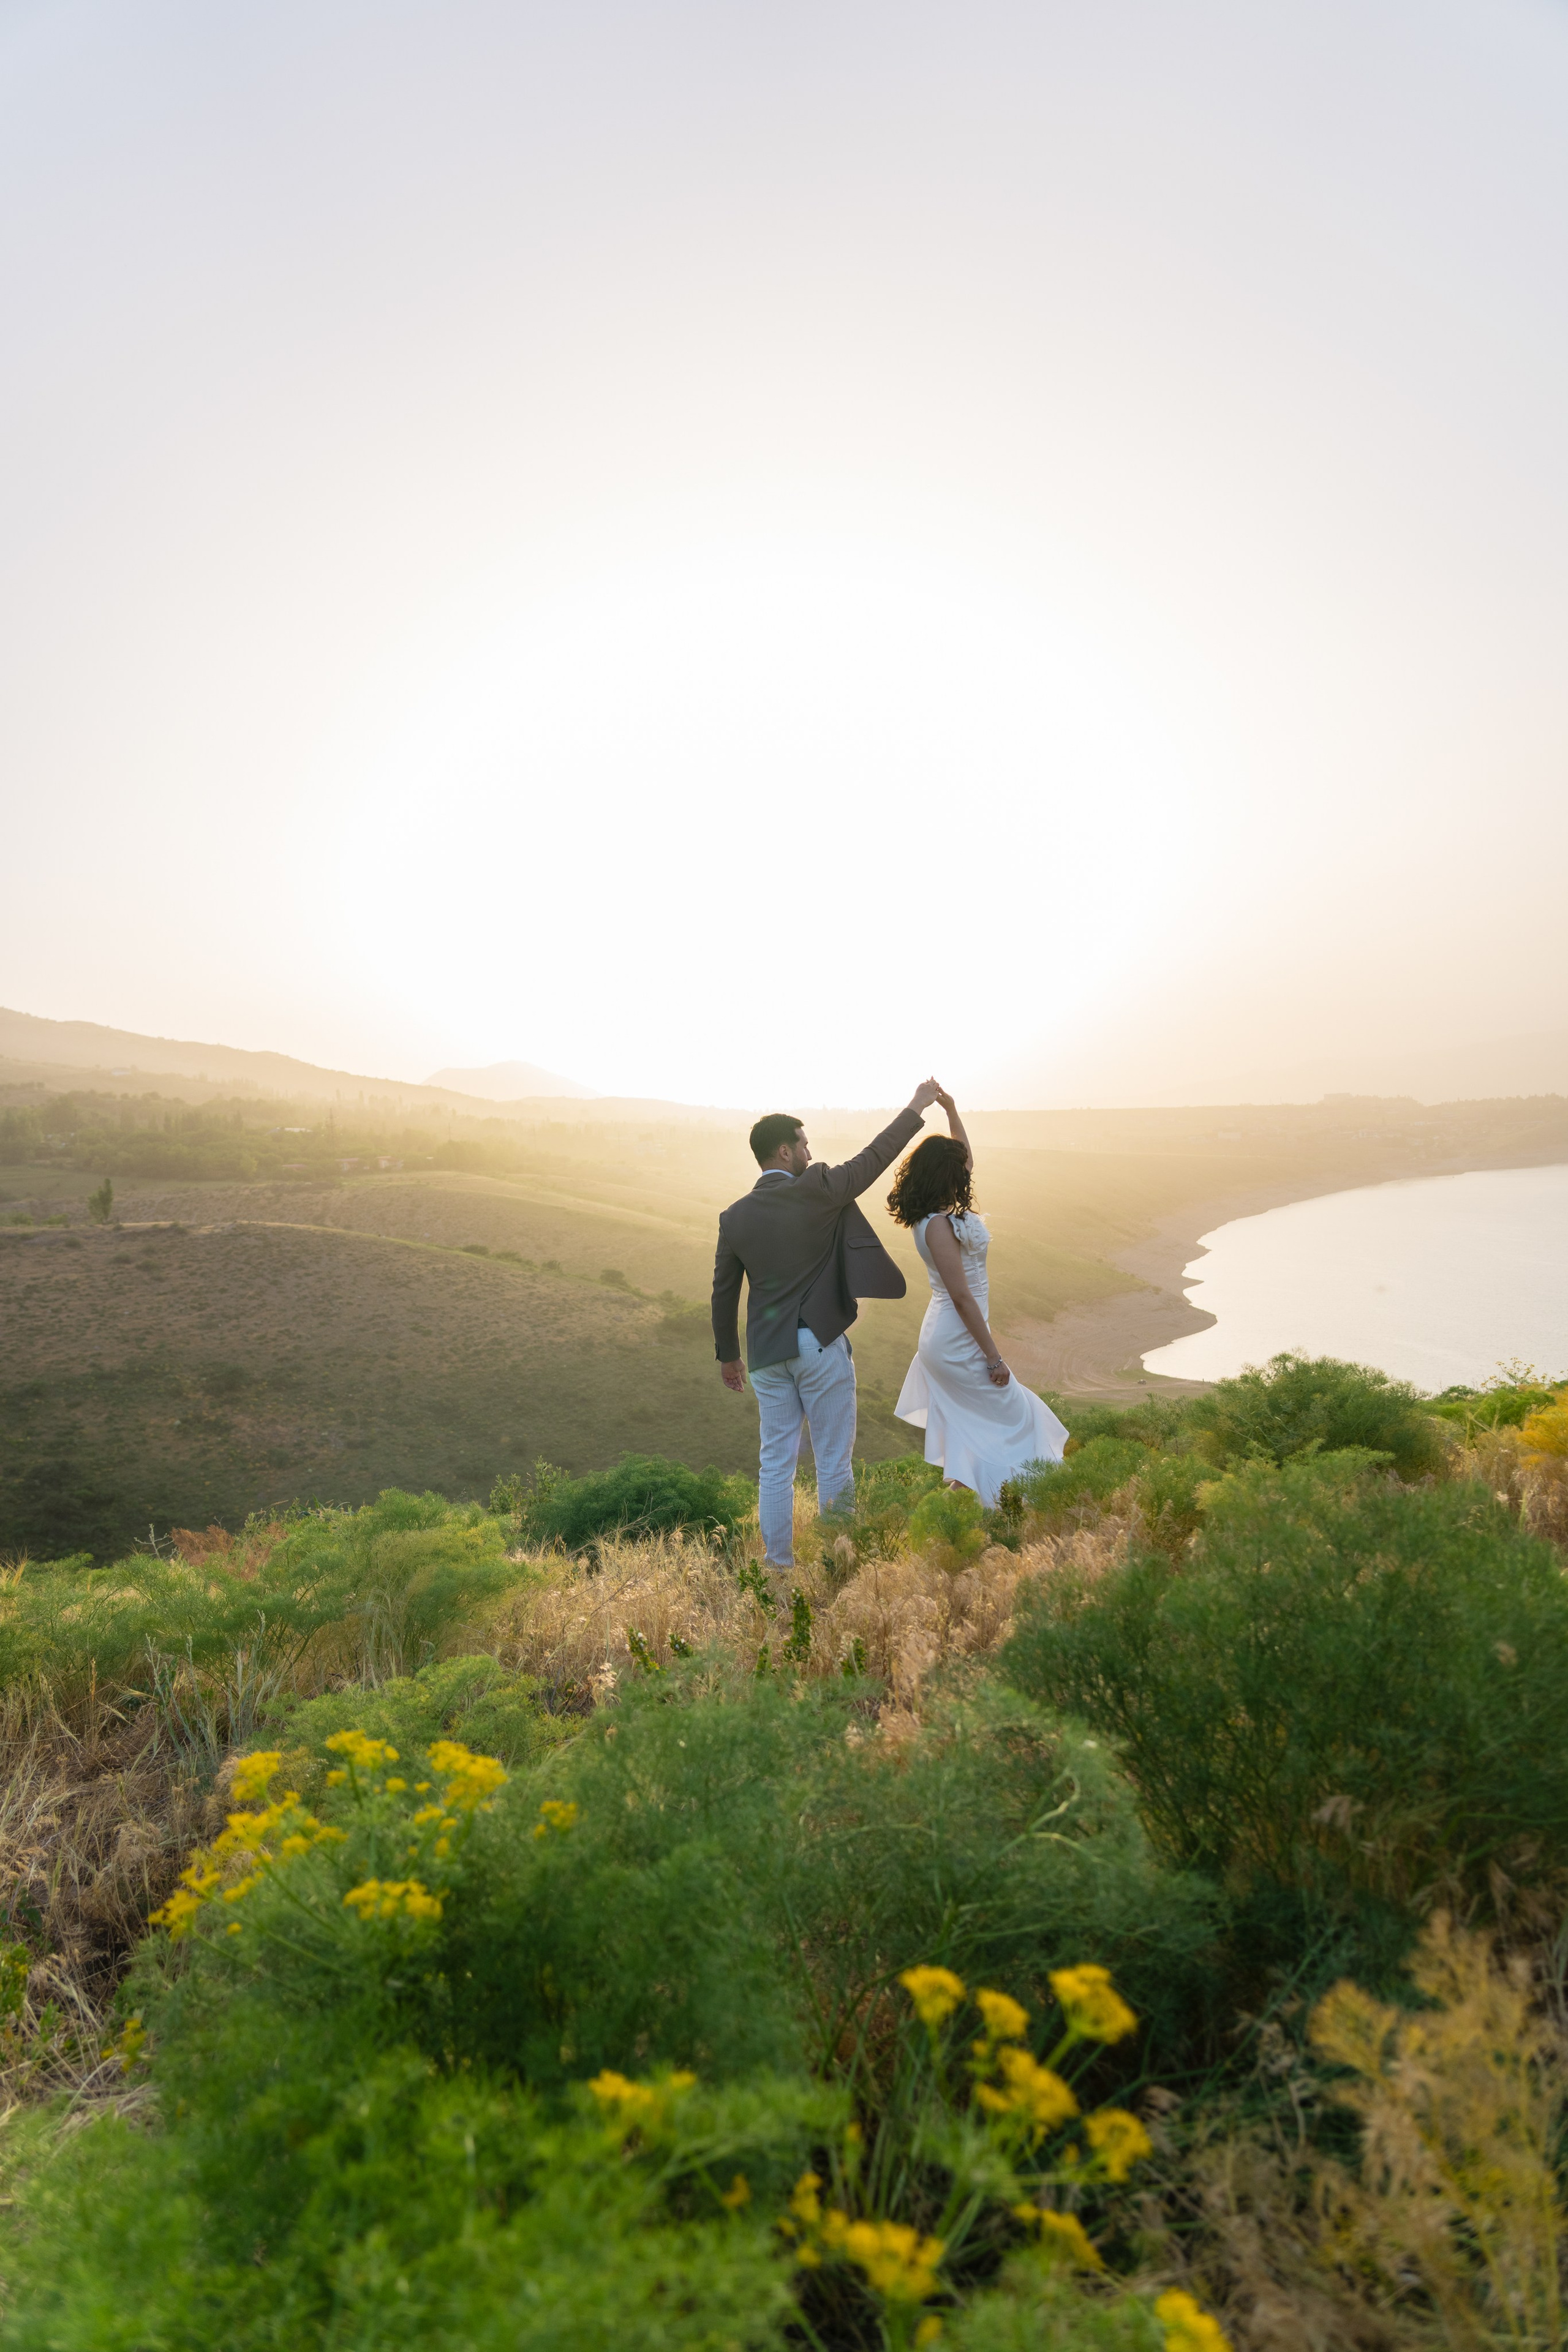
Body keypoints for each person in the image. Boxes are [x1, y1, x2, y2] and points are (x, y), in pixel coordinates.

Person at [712, 1080, 945, 1570]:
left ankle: (778, 1567)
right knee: (832, 1462)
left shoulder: (733, 1217)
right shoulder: (816, 1190)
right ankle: (839, 1564)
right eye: (804, 1144)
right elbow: (873, 1159)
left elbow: (724, 1291)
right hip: (818, 1344)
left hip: (766, 1356)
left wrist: (728, 1357)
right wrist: (915, 1107)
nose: (809, 1151)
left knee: (775, 1465)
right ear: (784, 1149)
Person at [889, 1090, 1067, 1504]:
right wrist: (994, 1357)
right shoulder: (936, 1226)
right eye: (956, 1174)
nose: (965, 1177)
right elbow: (962, 1298)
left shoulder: (934, 1212)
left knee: (980, 1427)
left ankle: (971, 1506)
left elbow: (966, 1159)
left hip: (951, 1333)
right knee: (1015, 1413)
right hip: (956, 1339)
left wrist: (951, 1110)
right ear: (942, 1177)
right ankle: (1010, 1502)